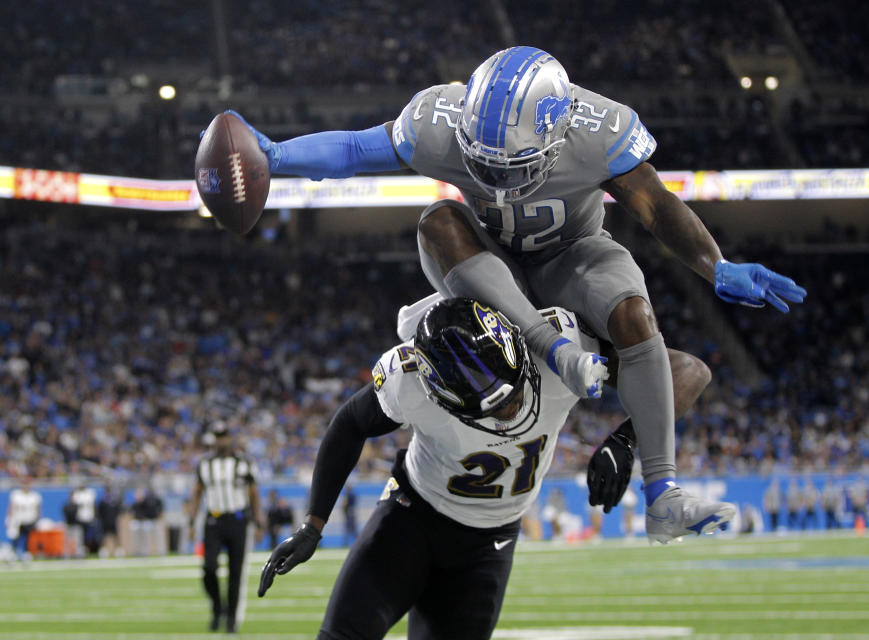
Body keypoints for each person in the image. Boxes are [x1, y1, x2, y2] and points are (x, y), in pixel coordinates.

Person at [227, 45, 806, 542]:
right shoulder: (438, 118)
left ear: (559, 133)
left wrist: (717, 265)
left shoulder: (600, 129)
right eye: (486, 167)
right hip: (482, 262)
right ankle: (551, 347)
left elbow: (655, 207)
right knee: (437, 218)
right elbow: (354, 150)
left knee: (635, 314)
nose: (499, 183)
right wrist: (278, 156)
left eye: (514, 167)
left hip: (569, 257)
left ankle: (663, 493)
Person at [256, 297, 734, 640]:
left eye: (513, 393)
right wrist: (312, 524)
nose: (511, 411)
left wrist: (627, 439)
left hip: (488, 543)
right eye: (491, 409)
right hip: (411, 518)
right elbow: (348, 424)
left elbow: (689, 370)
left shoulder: (558, 347)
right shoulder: (411, 380)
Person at [186, 421, 264, 633]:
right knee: (209, 567)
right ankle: (217, 607)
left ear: (230, 438)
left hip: (238, 520)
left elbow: (254, 493)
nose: (221, 440)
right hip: (213, 520)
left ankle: (230, 619)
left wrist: (259, 522)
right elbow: (197, 492)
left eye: (224, 436)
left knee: (235, 573)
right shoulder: (204, 464)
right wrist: (192, 521)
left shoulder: (244, 463)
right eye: (218, 436)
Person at [6, 478, 41, 561]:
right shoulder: (16, 495)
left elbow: (38, 509)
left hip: (29, 520)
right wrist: (9, 518)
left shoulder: (35, 496)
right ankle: (14, 553)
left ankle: (26, 553)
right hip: (17, 520)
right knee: (15, 537)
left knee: (28, 537)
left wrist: (37, 519)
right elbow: (11, 507)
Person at [96, 486, 125, 558]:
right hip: (105, 521)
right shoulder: (102, 502)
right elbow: (99, 512)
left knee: (116, 536)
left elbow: (118, 511)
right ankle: (104, 551)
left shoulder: (114, 501)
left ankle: (118, 550)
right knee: (104, 537)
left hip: (113, 521)